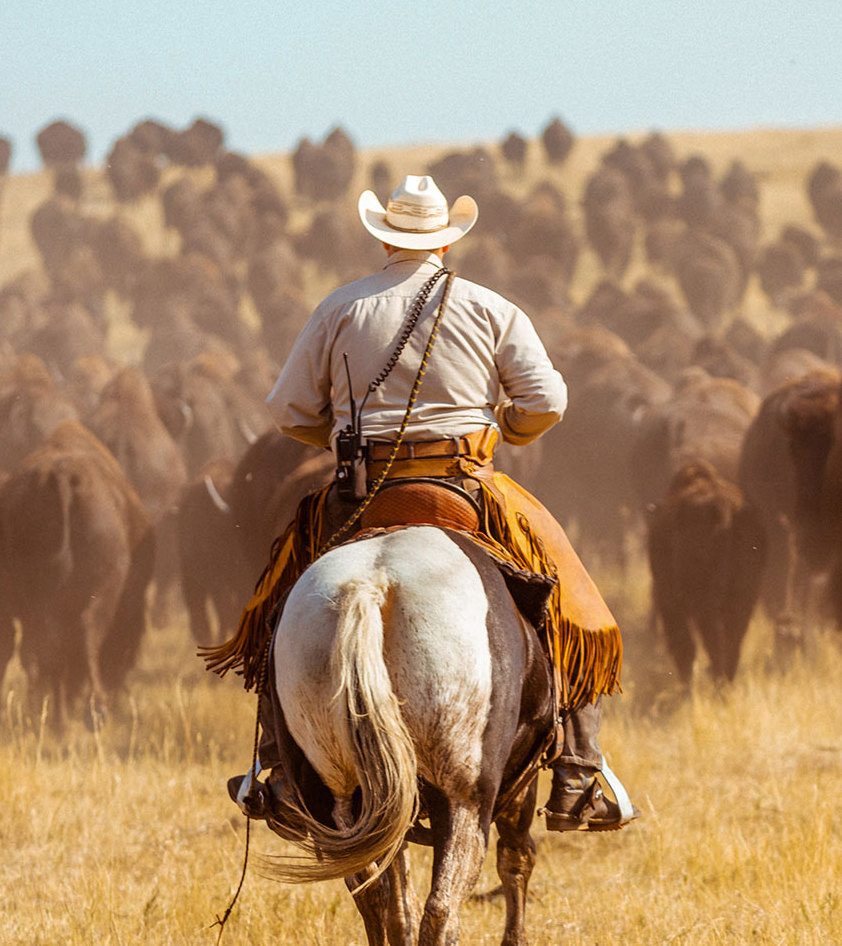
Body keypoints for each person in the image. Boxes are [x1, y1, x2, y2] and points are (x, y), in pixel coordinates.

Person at [213, 174, 638, 833]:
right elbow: (546, 402)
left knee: (276, 609)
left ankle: (278, 771)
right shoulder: (491, 307)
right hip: (467, 485)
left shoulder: (341, 307)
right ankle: (580, 776)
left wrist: (334, 434)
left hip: (360, 492)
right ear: (445, 241)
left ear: (383, 236)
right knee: (571, 603)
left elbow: (286, 409)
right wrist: (510, 430)